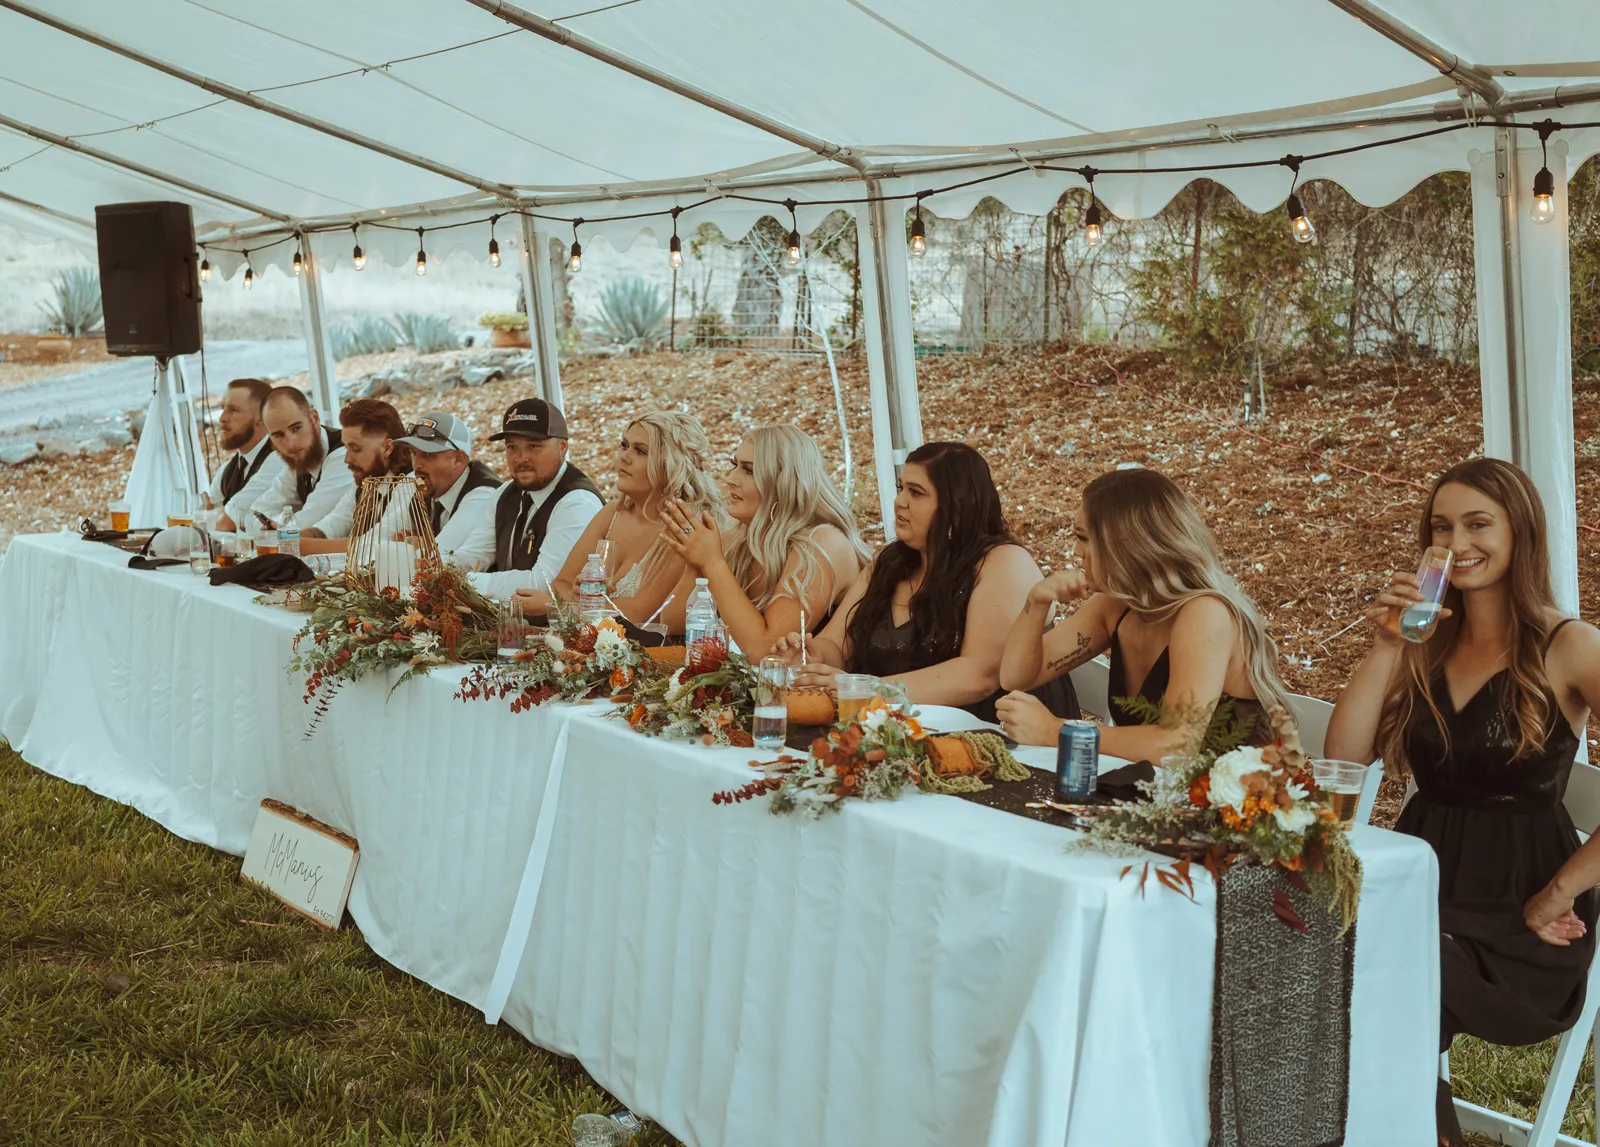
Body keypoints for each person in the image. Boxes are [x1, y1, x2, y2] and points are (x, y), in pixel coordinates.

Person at [1322, 458, 1600, 1147]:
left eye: (1479, 523)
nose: (1457, 541)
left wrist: (1559, 892)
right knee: (1328, 958)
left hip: (1520, 912)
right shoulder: (1424, 643)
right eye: (1441, 526)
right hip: (1422, 881)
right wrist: (1387, 643)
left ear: (1520, 532)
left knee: (1384, 969)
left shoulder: (1568, 646)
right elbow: (1344, 763)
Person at [997, 467, 1290, 756]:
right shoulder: (1116, 606)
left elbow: (1176, 745)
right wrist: (1036, 604)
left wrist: (1056, 731)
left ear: (1125, 545)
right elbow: (1016, 677)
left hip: (1235, 798)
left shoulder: (1205, 614)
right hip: (1151, 793)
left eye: (1084, 538)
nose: (1076, 552)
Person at [775, 441, 1069, 724]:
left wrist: (867, 689)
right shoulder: (889, 564)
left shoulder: (1004, 562)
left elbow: (979, 676)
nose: (899, 502)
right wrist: (813, 656)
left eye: (916, 493)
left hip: (1000, 739)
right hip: (896, 735)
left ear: (959, 505)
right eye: (901, 488)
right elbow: (835, 644)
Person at [657, 424, 869, 658]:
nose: (731, 479)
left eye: (748, 470)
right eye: (734, 465)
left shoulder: (824, 543)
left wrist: (712, 564)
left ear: (784, 483)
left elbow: (766, 654)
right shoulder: (739, 538)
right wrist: (695, 561)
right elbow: (673, 624)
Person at [512, 411, 724, 628]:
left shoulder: (685, 526)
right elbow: (560, 585)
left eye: (640, 451)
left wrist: (559, 607)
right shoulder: (612, 513)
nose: (624, 457)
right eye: (624, 445)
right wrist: (579, 595)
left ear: (672, 464)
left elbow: (639, 614)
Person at [452, 399, 604, 597]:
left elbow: (544, 584)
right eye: (512, 447)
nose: (521, 458)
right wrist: (442, 569)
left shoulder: (577, 502)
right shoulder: (505, 493)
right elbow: (475, 553)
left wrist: (464, 581)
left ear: (563, 447)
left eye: (533, 446)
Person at [297, 399, 414, 554]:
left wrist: (292, 546)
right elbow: (333, 523)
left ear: (387, 448)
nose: (347, 459)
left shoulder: (410, 483)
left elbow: (371, 546)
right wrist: (284, 539)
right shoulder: (367, 479)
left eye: (356, 449)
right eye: (346, 447)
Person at [394, 411, 500, 559]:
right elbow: (382, 535)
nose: (417, 464)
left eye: (429, 454)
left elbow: (434, 560)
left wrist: (414, 549)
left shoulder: (483, 495)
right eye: (413, 452)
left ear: (458, 459)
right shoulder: (430, 489)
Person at [251, 386, 354, 531]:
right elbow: (257, 513)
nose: (290, 443)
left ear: (314, 418)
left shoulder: (345, 455)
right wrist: (279, 525)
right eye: (278, 435)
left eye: (296, 428)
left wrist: (276, 527)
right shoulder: (300, 459)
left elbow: (308, 522)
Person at [204, 378, 284, 532]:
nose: (222, 418)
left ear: (261, 417)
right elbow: (207, 518)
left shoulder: (278, 459)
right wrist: (213, 515)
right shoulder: (227, 470)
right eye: (223, 408)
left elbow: (226, 522)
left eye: (234, 410)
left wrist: (211, 515)